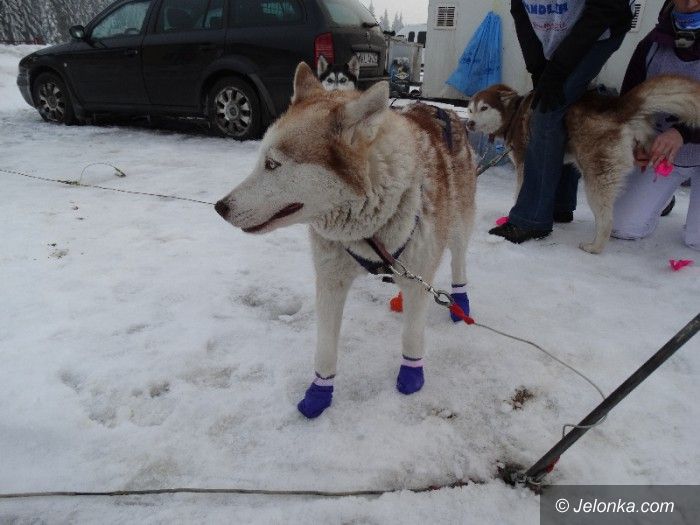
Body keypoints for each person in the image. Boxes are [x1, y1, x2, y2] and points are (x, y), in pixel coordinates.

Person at [489, 0, 634, 243]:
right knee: (557, 104)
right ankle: (559, 204)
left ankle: (531, 220)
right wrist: (538, 68)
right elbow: (521, 14)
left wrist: (557, 70)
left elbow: (606, 8)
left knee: (545, 114)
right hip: (555, 31)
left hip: (600, 30)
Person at [611, 0, 700, 250]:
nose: (691, 3)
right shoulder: (653, 42)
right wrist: (637, 140)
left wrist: (683, 132)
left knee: (697, 241)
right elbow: (629, 103)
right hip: (664, 155)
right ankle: (662, 196)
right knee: (621, 226)